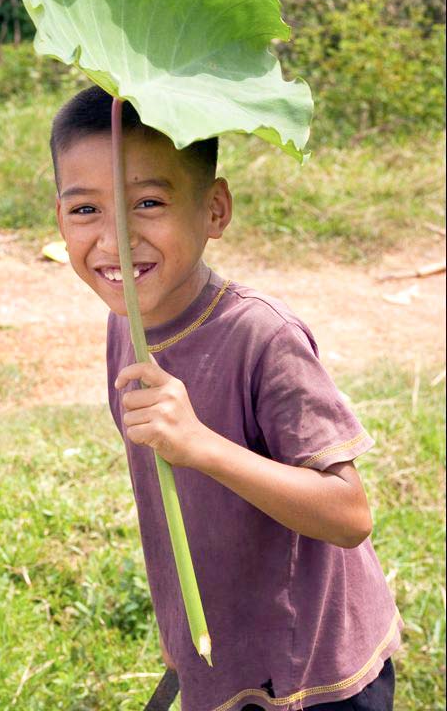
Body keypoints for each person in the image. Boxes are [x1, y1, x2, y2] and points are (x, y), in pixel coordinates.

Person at [50, 85, 402, 711]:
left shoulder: (263, 337)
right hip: (227, 655)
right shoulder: (124, 322)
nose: (114, 240)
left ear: (214, 209)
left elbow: (350, 515)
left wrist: (204, 446)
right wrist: (179, 626)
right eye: (85, 211)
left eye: (148, 202)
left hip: (317, 669)